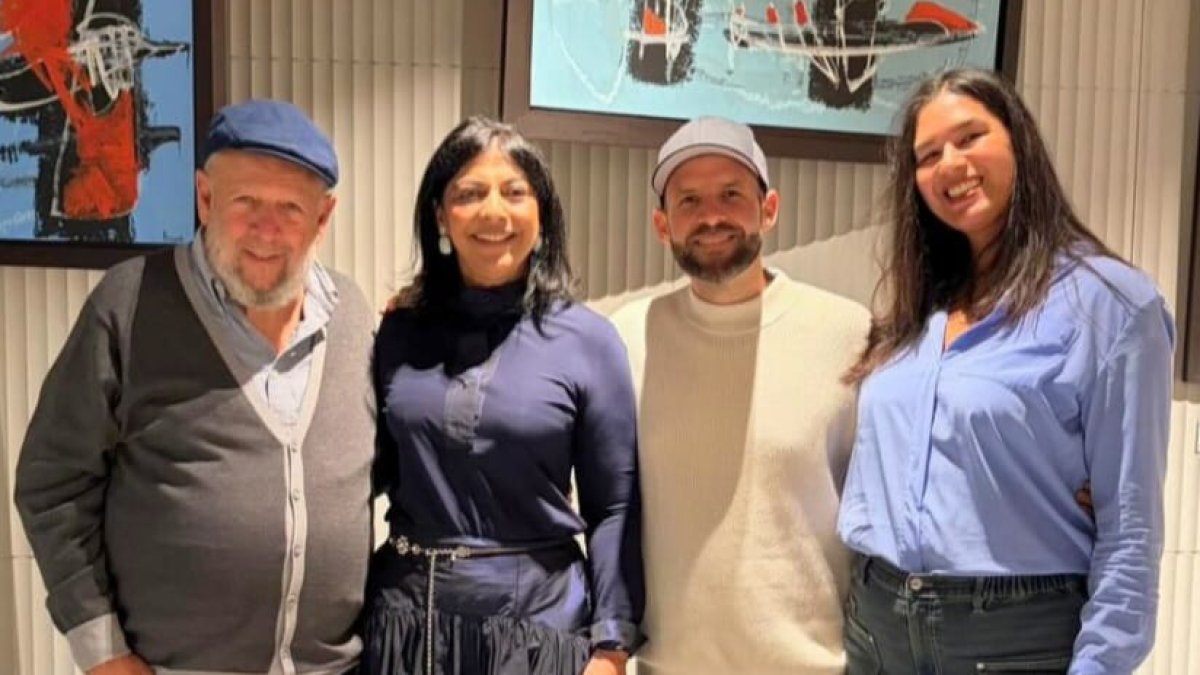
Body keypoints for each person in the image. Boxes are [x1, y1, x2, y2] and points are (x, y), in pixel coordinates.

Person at [13, 100, 375, 675]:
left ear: (323, 218)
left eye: (289, 209)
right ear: (205, 198)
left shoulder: (353, 317)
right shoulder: (129, 305)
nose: (266, 230)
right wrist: (102, 654)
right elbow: (52, 484)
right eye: (245, 203)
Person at [838, 68, 1173, 674]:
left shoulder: (1113, 306)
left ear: (1019, 141)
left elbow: (1130, 535)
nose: (950, 164)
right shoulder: (920, 308)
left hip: (1015, 639)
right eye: (928, 154)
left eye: (970, 138)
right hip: (876, 627)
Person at [361, 116, 643, 675]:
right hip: (404, 625)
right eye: (469, 193)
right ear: (441, 215)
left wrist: (611, 647)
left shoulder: (588, 341)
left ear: (541, 216)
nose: (494, 211)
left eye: (515, 192)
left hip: (535, 630)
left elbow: (613, 506)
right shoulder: (398, 332)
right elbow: (363, 475)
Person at [609, 116, 870, 674]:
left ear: (769, 209)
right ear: (662, 224)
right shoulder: (629, 337)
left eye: (731, 194)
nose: (711, 217)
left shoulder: (848, 333)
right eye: (689, 201)